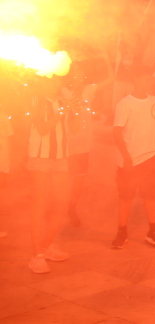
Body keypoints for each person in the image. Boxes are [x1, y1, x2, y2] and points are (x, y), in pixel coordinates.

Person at [112, 68, 155, 250]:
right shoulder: (124, 104)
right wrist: (126, 156)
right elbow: (117, 132)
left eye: (149, 78)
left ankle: (153, 230)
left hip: (150, 157)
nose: (148, 82)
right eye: (144, 78)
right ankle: (122, 232)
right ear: (135, 80)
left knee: (150, 195)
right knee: (126, 197)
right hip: (130, 160)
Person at [26, 76, 70, 273]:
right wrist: (60, 113)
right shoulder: (36, 100)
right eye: (49, 80)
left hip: (61, 156)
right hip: (40, 158)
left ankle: (47, 245)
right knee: (40, 205)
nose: (54, 83)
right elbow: (43, 129)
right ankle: (36, 256)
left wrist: (76, 114)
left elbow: (73, 130)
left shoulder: (62, 101)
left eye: (56, 80)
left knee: (62, 203)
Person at [61, 58, 110, 228]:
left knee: (79, 179)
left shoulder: (89, 90)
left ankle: (72, 207)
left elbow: (111, 79)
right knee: (63, 178)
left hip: (83, 142)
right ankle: (58, 207)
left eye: (81, 71)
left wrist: (106, 56)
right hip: (66, 142)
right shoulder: (63, 91)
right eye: (75, 70)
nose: (78, 74)